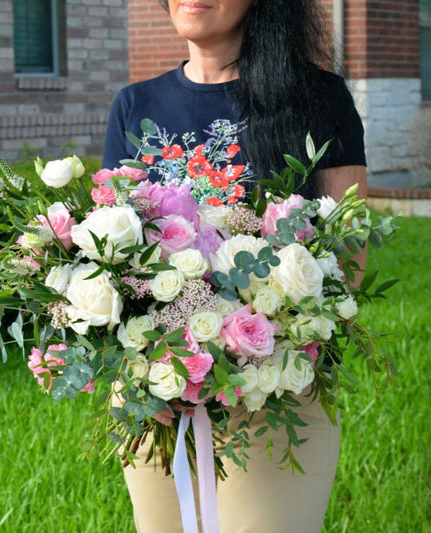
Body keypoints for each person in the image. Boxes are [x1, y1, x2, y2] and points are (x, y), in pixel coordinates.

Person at [102, 1, 367, 532]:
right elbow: (111, 253)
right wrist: (139, 370)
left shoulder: (317, 99)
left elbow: (346, 262)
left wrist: (239, 353)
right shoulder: (134, 104)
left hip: (273, 391)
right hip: (153, 394)